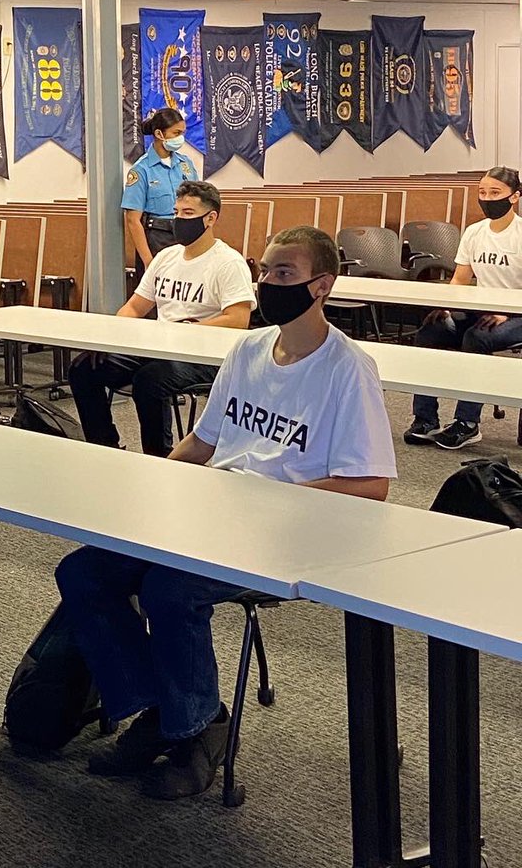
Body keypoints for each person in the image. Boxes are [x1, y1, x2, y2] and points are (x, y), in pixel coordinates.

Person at [56, 226, 395, 800]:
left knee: (168, 590)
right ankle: (164, 710)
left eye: (283, 274)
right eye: (264, 271)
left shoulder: (346, 369)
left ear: (322, 286)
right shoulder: (246, 350)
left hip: (286, 530)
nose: (267, 283)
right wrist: (153, 480)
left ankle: (197, 731)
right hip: (213, 514)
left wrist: (273, 505)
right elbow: (204, 442)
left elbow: (371, 485)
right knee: (84, 572)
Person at [68, 181, 254, 456]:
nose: (178, 220)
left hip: (201, 355)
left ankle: (159, 457)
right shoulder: (166, 257)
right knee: (84, 367)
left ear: (211, 218)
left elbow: (239, 319)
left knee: (150, 381)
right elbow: (134, 307)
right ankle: (105, 447)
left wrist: (191, 330)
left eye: (188, 214)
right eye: (176, 212)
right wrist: (111, 339)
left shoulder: (228, 262)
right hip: (159, 347)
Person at [405, 166, 522, 451]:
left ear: (514, 197)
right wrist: (445, 307)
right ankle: (425, 419)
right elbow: (460, 279)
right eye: (482, 192)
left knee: (476, 337)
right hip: (480, 310)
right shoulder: (474, 232)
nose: (487, 198)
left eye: (495, 193)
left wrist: (507, 311)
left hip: (516, 314)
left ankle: (466, 423)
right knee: (430, 331)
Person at [122, 107, 198, 271]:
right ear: (159, 134)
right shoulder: (141, 170)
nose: (181, 138)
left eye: (183, 133)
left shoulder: (186, 164)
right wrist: (149, 261)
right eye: (176, 133)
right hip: (157, 237)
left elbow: (199, 203)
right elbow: (133, 220)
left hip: (186, 235)